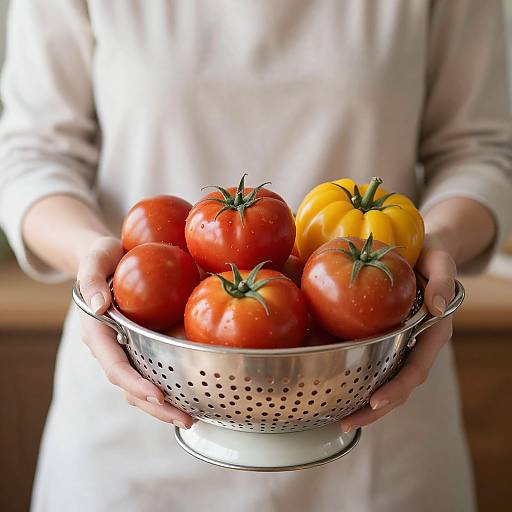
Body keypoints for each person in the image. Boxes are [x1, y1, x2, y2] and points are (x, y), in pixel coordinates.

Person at [1, 1, 511, 511]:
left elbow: (480, 148)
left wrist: (436, 242)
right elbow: (30, 153)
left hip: (376, 403)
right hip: (139, 410)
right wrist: (91, 253)